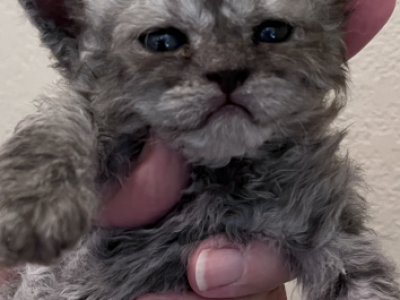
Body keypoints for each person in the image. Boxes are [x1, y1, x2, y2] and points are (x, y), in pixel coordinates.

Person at [0, 0, 396, 299]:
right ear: (78, 38)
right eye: (163, 41)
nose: (225, 65)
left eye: (270, 33)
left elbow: (354, 272)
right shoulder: (87, 141)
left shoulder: (305, 179)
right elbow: (74, 120)